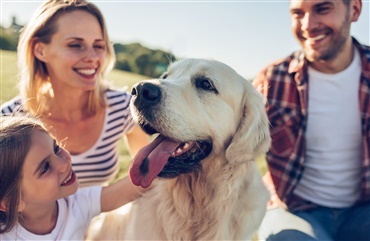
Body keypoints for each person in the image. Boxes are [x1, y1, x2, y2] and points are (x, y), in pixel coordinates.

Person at [253, 0, 370, 240]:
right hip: (295, 210)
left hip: (364, 210)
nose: (308, 25)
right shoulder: (272, 79)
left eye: (322, 8)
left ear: (355, 10)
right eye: (298, 13)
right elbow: (227, 144)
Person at [0, 0, 149, 187]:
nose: (93, 57)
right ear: (40, 50)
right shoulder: (8, 121)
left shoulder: (123, 108)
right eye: (75, 45)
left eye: (99, 46)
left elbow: (146, 179)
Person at [0, 116, 147, 240]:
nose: (64, 163)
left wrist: (162, 154)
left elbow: (129, 189)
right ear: (13, 201)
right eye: (45, 167)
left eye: (56, 148)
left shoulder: (78, 204)